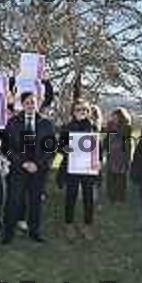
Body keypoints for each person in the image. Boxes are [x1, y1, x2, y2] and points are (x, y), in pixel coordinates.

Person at [2, 91, 55, 244]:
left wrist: (37, 164)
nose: (31, 105)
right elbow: (6, 147)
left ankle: (34, 232)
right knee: (14, 201)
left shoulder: (45, 123)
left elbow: (50, 148)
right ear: (22, 104)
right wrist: (22, 163)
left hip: (38, 170)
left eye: (33, 102)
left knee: (35, 201)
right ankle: (8, 233)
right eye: (27, 102)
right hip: (18, 168)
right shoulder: (13, 122)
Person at [57, 99, 99, 240]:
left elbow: (98, 148)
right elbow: (60, 147)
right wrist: (69, 149)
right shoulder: (67, 127)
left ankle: (88, 225)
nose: (82, 112)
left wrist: (98, 161)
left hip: (88, 168)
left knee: (89, 197)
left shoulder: (93, 127)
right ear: (73, 112)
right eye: (78, 109)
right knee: (71, 196)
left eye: (85, 110)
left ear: (88, 112)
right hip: (72, 167)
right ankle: (68, 224)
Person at [104, 108, 132, 203]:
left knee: (121, 177)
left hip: (121, 154)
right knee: (111, 177)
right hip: (111, 154)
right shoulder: (109, 126)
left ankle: (120, 197)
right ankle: (111, 197)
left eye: (116, 116)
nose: (114, 118)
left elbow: (127, 142)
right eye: (113, 116)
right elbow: (106, 140)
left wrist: (127, 157)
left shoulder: (126, 127)